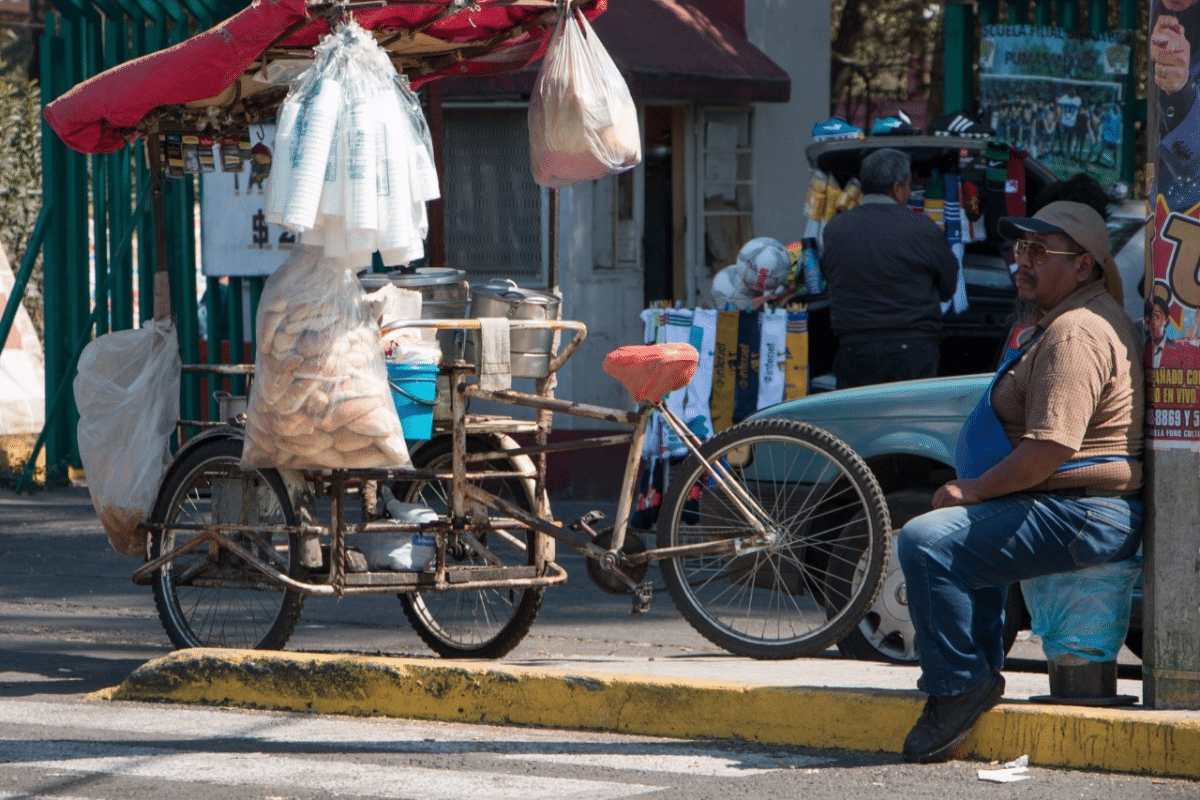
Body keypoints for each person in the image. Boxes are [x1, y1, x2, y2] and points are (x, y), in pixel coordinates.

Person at [896, 201, 1143, 764]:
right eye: (1019, 249)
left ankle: (959, 687)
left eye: (1039, 251)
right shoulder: (1063, 321)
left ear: (1083, 266)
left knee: (928, 541)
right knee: (960, 539)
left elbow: (1050, 447)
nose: (1020, 262)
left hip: (1085, 511)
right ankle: (976, 674)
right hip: (1075, 505)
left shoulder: (1076, 332)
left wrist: (975, 489)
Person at [819, 148, 959, 389]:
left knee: (860, 423)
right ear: (897, 188)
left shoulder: (835, 230)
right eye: (907, 186)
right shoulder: (923, 229)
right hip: (913, 350)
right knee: (911, 422)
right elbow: (948, 287)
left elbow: (828, 277)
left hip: (855, 349)